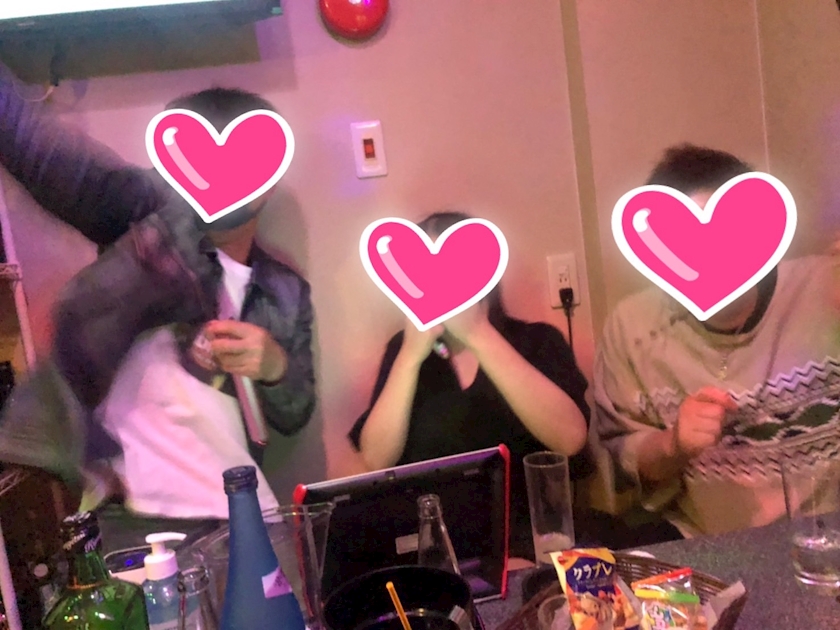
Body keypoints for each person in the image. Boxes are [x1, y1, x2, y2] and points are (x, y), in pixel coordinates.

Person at [0, 65, 315, 538]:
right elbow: (38, 150)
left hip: (247, 518)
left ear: (270, 178)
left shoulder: (283, 289)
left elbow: (295, 413)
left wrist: (274, 366)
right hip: (133, 525)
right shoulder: (144, 219)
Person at [594, 144, 840, 539]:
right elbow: (630, 463)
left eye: (726, 237)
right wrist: (673, 444)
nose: (709, 259)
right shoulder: (632, 328)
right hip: (707, 548)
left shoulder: (826, 288)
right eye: (685, 242)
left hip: (825, 542)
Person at [349, 211, 593, 559]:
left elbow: (570, 439)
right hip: (439, 553)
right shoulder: (403, 353)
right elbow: (375, 458)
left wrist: (479, 334)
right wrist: (409, 357)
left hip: (534, 545)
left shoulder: (537, 342)